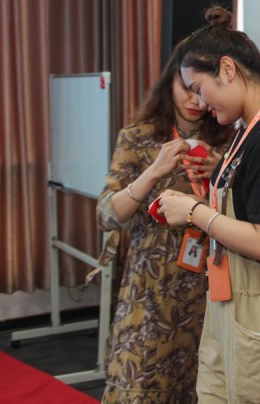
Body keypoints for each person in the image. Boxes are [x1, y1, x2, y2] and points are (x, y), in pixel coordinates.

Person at [156, 7, 260, 403]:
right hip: (232, 303)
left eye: (198, 88)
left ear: (227, 70)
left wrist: (195, 212)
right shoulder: (249, 131)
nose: (198, 102)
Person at [96, 46, 231, 403]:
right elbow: (107, 214)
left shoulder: (228, 141)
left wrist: (220, 171)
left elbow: (250, 220)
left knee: (204, 389)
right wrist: (153, 172)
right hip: (150, 293)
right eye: (186, 87)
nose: (195, 100)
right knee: (139, 387)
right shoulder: (137, 138)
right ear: (169, 82)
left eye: (202, 89)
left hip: (209, 291)